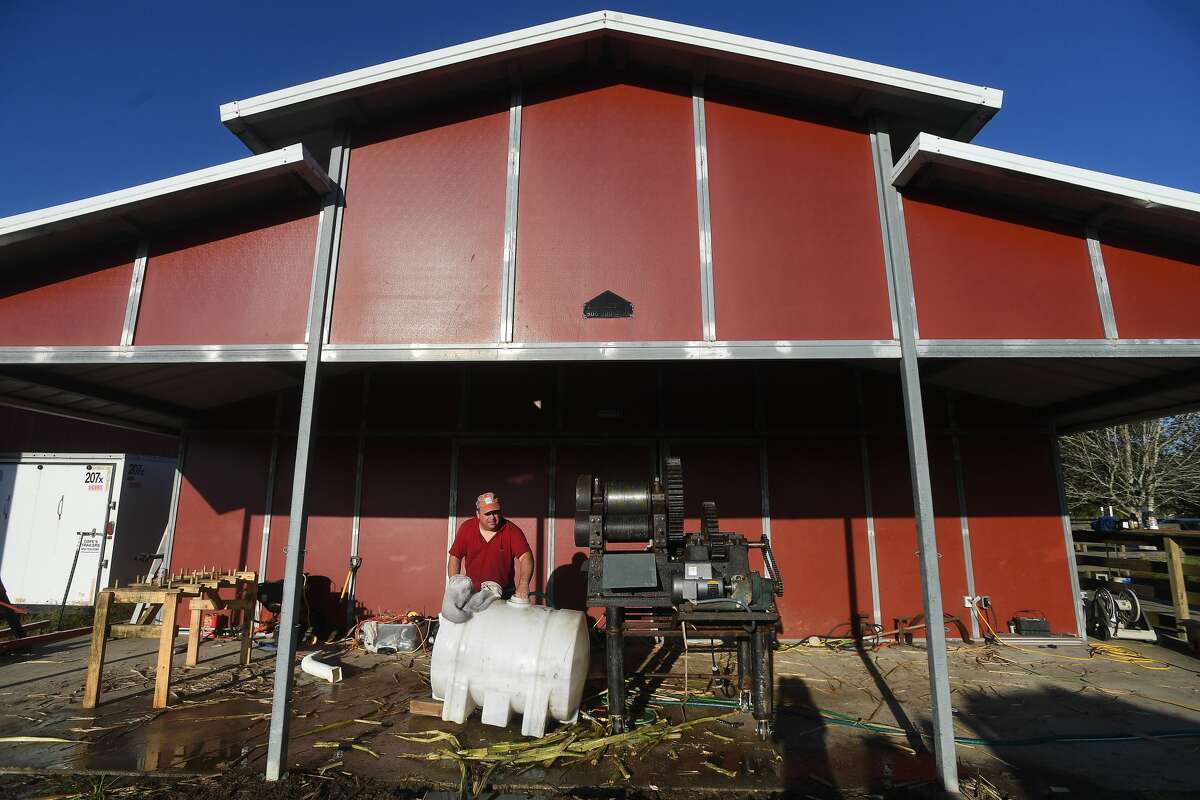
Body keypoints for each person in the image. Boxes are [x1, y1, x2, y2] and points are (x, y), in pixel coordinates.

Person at [447, 491, 534, 601]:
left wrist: (523, 584)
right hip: (473, 594)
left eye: (495, 512)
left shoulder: (512, 531)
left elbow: (526, 557)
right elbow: (455, 557)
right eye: (487, 513)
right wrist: (454, 586)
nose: (492, 517)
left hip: (504, 595)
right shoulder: (466, 528)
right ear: (478, 514)